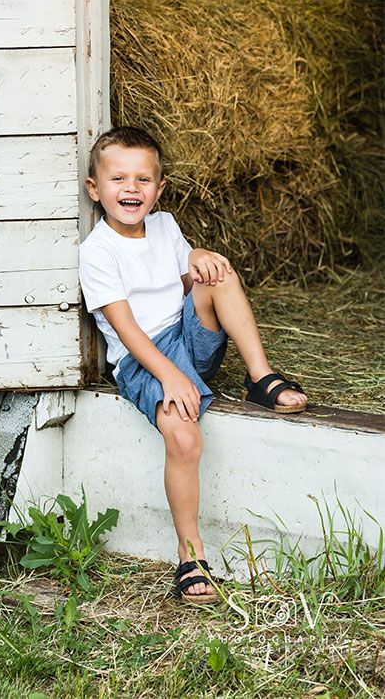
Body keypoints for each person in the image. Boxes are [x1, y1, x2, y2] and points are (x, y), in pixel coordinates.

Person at [78, 126, 307, 604]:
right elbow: (126, 330)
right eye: (119, 178)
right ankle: (191, 553)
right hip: (144, 359)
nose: (131, 189)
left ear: (159, 189)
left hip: (188, 339)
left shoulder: (164, 225)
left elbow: (188, 278)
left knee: (218, 273)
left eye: (144, 179)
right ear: (95, 189)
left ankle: (260, 377)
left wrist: (199, 256)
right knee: (183, 437)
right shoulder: (97, 252)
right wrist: (169, 373)